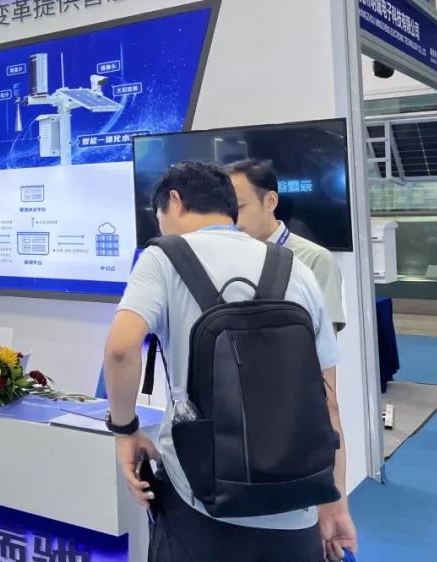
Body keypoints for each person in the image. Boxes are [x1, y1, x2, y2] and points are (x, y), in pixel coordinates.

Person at [103, 162, 357, 562]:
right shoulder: (295, 267)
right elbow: (329, 403)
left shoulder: (162, 258)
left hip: (200, 504)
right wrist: (336, 503)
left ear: (175, 201)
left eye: (159, 214)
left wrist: (125, 431)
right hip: (296, 507)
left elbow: (121, 348)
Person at [228, 159, 347, 331]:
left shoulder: (314, 259)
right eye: (227, 209)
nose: (232, 218)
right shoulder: (227, 257)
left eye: (239, 207)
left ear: (270, 201)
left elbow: (325, 338)